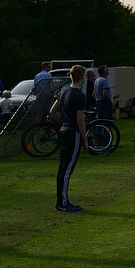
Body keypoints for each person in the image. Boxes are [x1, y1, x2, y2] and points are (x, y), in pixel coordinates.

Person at [53, 64, 88, 212]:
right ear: (83, 77)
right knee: (67, 170)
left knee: (63, 168)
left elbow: (52, 112)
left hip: (64, 129)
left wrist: (62, 123)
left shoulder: (63, 92)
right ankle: (63, 203)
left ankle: (62, 201)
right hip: (73, 132)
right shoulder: (79, 96)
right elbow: (80, 119)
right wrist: (85, 140)